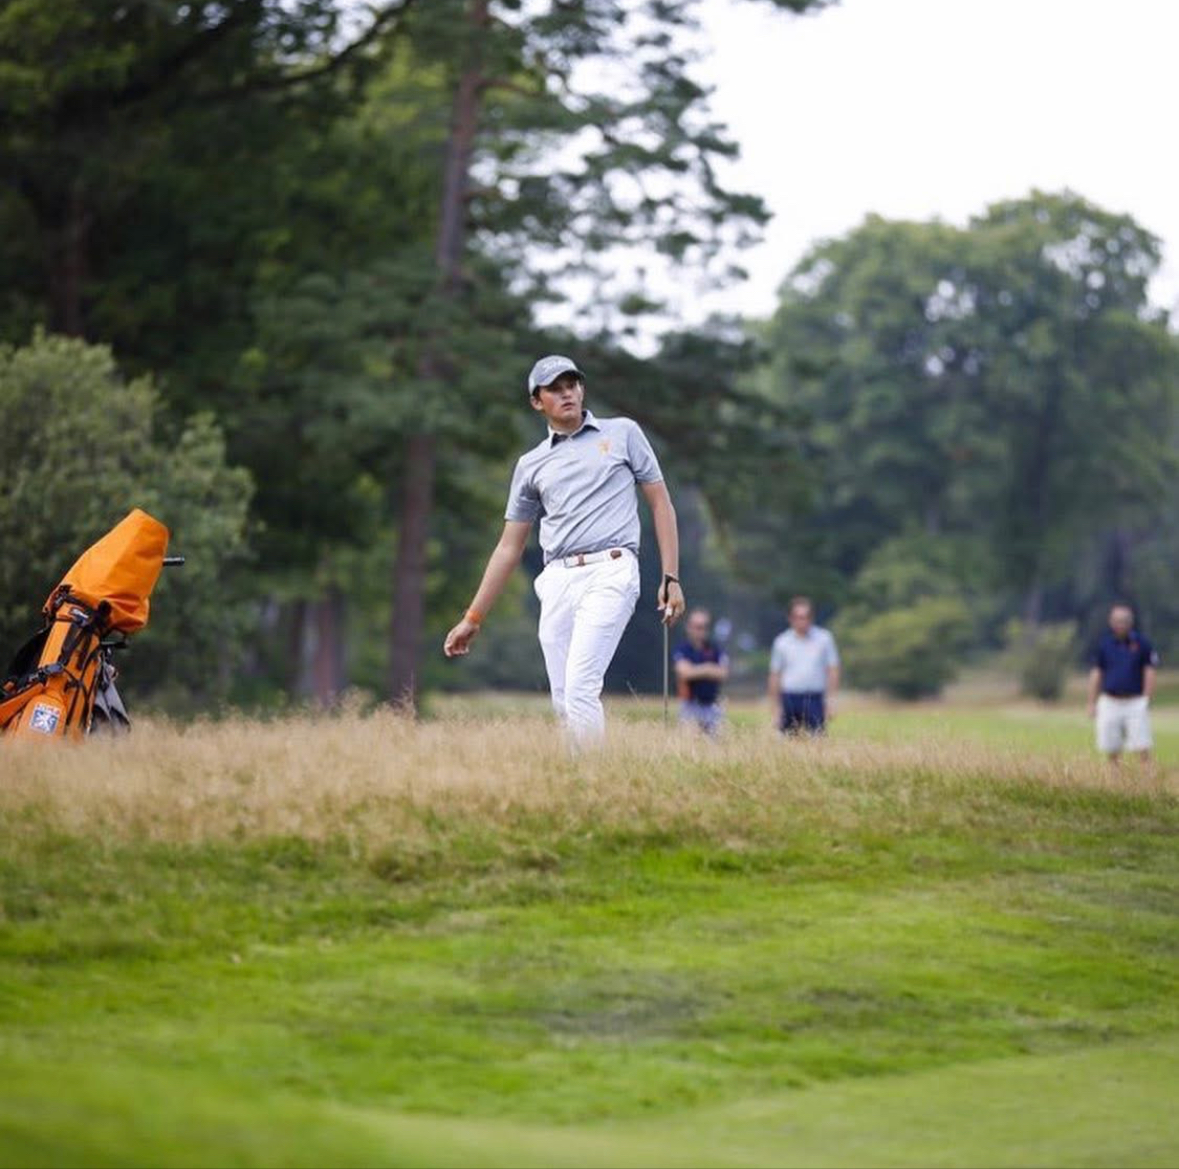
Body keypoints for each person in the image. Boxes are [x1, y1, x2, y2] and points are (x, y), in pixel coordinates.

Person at [443, 354, 685, 739]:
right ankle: (576, 783)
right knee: (563, 698)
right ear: (537, 402)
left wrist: (671, 576)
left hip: (612, 569)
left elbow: (660, 503)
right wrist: (473, 618)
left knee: (580, 687)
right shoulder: (531, 465)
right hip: (556, 579)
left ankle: (592, 784)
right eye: (554, 389)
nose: (567, 393)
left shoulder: (622, 433)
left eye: (572, 384)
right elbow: (509, 547)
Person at [1086, 603, 1159, 766]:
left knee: (1142, 744)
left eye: (1124, 620)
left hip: (1135, 701)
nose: (1120, 624)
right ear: (1111, 622)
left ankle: (1149, 781)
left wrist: (1147, 698)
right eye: (1117, 620)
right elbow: (1097, 673)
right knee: (1111, 746)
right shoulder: (1104, 644)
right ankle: (1114, 781)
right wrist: (1091, 702)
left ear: (1130, 622)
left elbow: (1150, 671)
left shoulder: (1142, 644)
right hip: (1110, 701)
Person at [768, 596, 840, 736]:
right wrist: (775, 707)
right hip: (789, 697)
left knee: (817, 740)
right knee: (786, 741)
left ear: (811, 618)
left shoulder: (824, 638)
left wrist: (831, 701)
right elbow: (775, 675)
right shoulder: (782, 642)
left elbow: (833, 670)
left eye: (806, 617)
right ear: (790, 618)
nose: (802, 621)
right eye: (798, 617)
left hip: (815, 698)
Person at [673, 608, 729, 736]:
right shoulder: (682, 648)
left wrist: (695, 670)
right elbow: (684, 673)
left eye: (703, 627)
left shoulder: (715, 648)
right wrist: (709, 668)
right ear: (689, 627)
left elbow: (723, 673)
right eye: (697, 626)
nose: (700, 631)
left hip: (711, 705)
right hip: (689, 704)